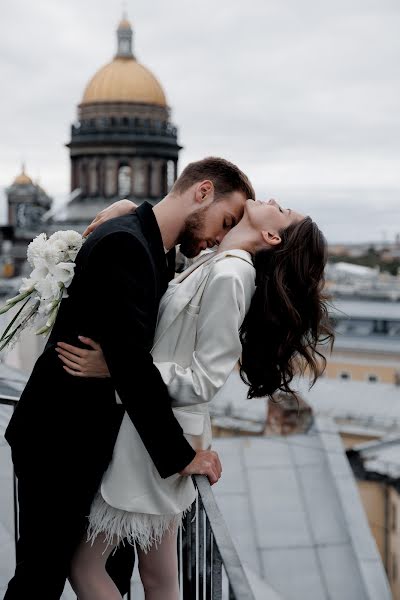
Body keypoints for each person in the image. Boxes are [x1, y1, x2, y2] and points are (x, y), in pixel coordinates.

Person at [4, 157, 255, 600]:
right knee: (39, 579)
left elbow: (130, 358)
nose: (220, 237)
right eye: (226, 219)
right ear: (202, 192)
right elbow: (134, 365)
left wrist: (129, 206)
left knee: (107, 576)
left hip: (90, 440)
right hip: (58, 441)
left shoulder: (148, 243)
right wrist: (182, 458)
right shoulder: (127, 244)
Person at [56, 198, 334, 600]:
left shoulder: (232, 275)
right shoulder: (217, 261)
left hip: (152, 441)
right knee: (158, 574)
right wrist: (131, 210)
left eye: (284, 210)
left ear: (272, 235)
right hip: (165, 434)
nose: (274, 200)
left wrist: (117, 368)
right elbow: (162, 261)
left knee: (83, 565)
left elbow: (203, 380)